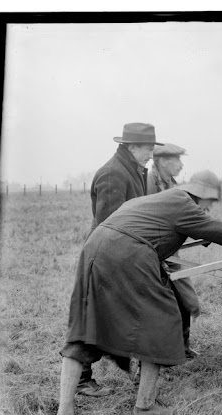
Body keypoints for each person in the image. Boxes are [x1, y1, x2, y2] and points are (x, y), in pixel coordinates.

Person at [52, 170, 222, 415]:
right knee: (162, 321)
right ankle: (145, 405)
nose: (210, 207)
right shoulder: (183, 204)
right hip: (128, 254)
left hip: (94, 249)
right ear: (201, 195)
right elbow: (221, 230)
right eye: (210, 202)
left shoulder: (158, 200)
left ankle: (63, 414)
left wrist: (202, 231)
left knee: (87, 325)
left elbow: (178, 227)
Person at [78, 122, 162, 398]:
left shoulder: (135, 171)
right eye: (148, 149)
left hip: (125, 254)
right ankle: (81, 380)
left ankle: (140, 371)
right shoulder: (114, 175)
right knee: (98, 316)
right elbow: (112, 226)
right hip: (109, 258)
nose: (151, 154)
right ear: (132, 147)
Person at [147, 143, 200, 359]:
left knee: (185, 299)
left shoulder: (170, 182)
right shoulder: (149, 182)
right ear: (162, 162)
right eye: (177, 160)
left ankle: (182, 346)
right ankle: (160, 354)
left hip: (170, 252)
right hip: (154, 251)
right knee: (164, 303)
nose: (181, 165)